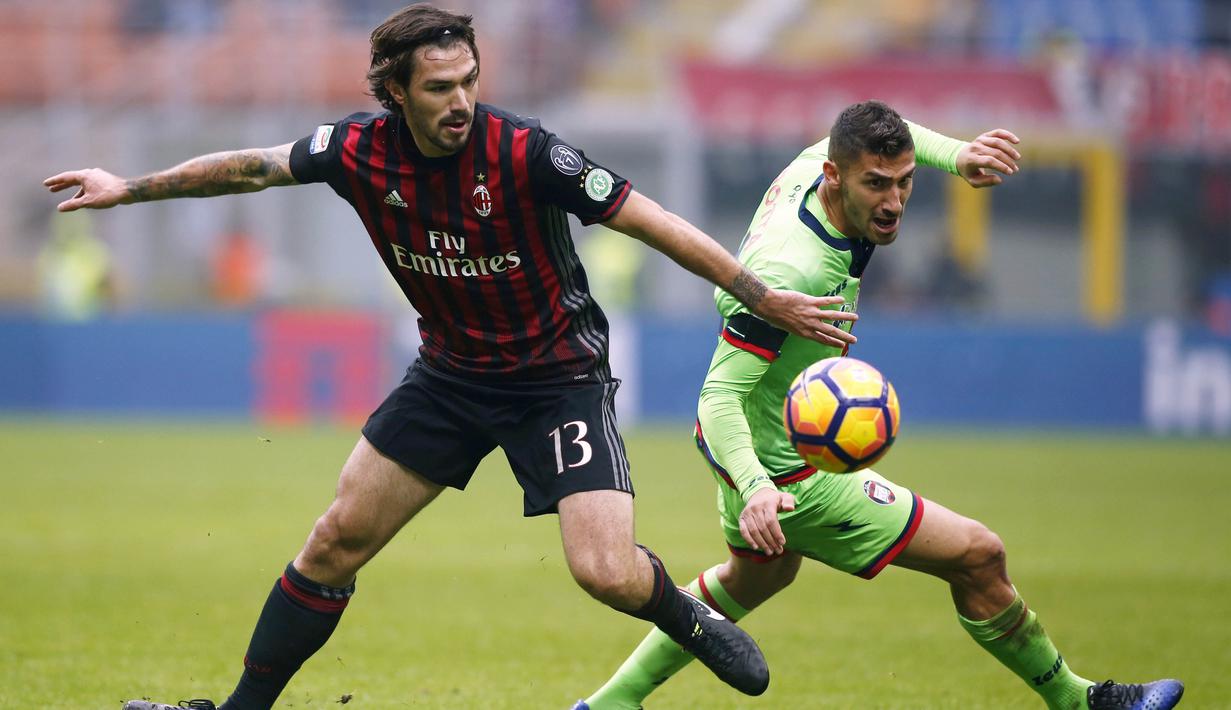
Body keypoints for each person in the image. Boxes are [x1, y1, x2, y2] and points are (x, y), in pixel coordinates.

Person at [43, 5, 865, 710]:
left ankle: (691, 618)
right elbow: (251, 169)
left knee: (606, 572)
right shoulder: (356, 150)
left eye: (469, 79)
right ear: (394, 92)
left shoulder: (526, 152)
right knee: (333, 542)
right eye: (439, 88)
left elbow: (647, 218)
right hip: (450, 377)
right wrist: (132, 186)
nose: (461, 101)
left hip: (556, 380)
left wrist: (761, 295)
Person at [572, 101, 1185, 710]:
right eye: (876, 184)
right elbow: (717, 400)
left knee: (759, 575)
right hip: (788, 474)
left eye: (904, 181)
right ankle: (1083, 703)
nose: (893, 201)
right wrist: (758, 486)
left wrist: (959, 156)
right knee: (978, 555)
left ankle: (606, 706)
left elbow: (895, 133)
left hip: (764, 447)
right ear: (836, 178)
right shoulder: (792, 268)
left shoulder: (826, 159)